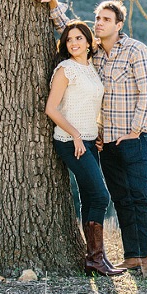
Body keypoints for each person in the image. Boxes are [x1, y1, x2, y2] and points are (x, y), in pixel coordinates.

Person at [34, 0, 147, 277]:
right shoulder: (94, 55)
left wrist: (135, 130)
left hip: (132, 138)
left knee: (140, 196)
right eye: (97, 18)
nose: (100, 23)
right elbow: (70, 33)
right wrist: (53, 2)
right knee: (120, 198)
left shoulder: (136, 50)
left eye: (106, 19)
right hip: (103, 142)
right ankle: (132, 256)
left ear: (118, 25)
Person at [44, 21, 123, 276]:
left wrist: (96, 133)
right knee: (100, 196)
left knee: (91, 197)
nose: (74, 43)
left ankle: (95, 259)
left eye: (79, 38)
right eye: (69, 40)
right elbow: (51, 109)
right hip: (70, 142)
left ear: (89, 42)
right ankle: (95, 257)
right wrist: (76, 134)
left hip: (89, 141)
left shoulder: (90, 67)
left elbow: (88, 105)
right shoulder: (65, 69)